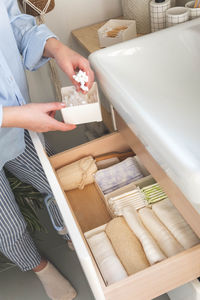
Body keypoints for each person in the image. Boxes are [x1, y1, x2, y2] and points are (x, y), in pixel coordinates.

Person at [0, 1, 94, 299]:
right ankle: (42, 269)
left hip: (16, 124)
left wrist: (56, 48)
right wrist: (12, 116)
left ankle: (74, 238)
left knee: (58, 179)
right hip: (13, 117)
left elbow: (13, 23)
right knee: (8, 227)